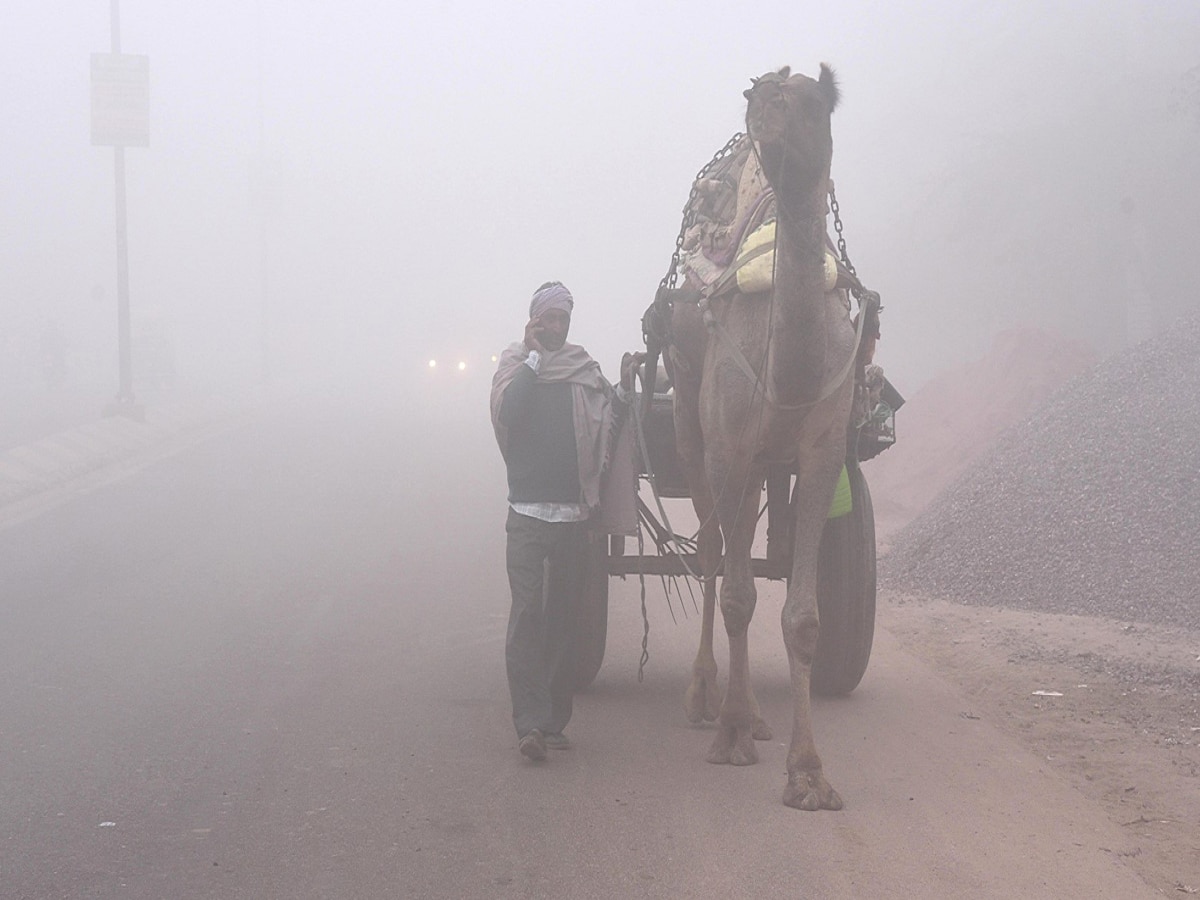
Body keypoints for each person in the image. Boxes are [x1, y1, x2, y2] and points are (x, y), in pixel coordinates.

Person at [490, 281, 616, 761]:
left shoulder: (584, 370)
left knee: (564, 619)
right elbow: (511, 411)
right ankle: (528, 724)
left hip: (571, 516)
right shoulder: (515, 368)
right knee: (527, 616)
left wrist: (621, 389)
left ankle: (553, 722)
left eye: (563, 320)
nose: (558, 327)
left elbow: (607, 420)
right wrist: (535, 358)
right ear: (535, 321)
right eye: (549, 320)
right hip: (525, 515)